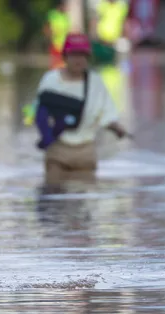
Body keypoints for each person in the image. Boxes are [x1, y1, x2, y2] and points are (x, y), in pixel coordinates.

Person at [34, 33, 128, 185]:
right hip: (57, 150)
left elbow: (106, 113)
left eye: (83, 55)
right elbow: (40, 112)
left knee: (85, 198)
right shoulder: (50, 80)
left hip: (85, 152)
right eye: (74, 55)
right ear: (65, 57)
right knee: (52, 193)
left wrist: (117, 128)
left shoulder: (95, 83)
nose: (78, 60)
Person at [44, 0, 70, 69]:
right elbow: (46, 28)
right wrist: (51, 33)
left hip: (64, 46)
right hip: (55, 45)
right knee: (55, 66)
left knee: (63, 66)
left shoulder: (65, 17)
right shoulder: (52, 15)